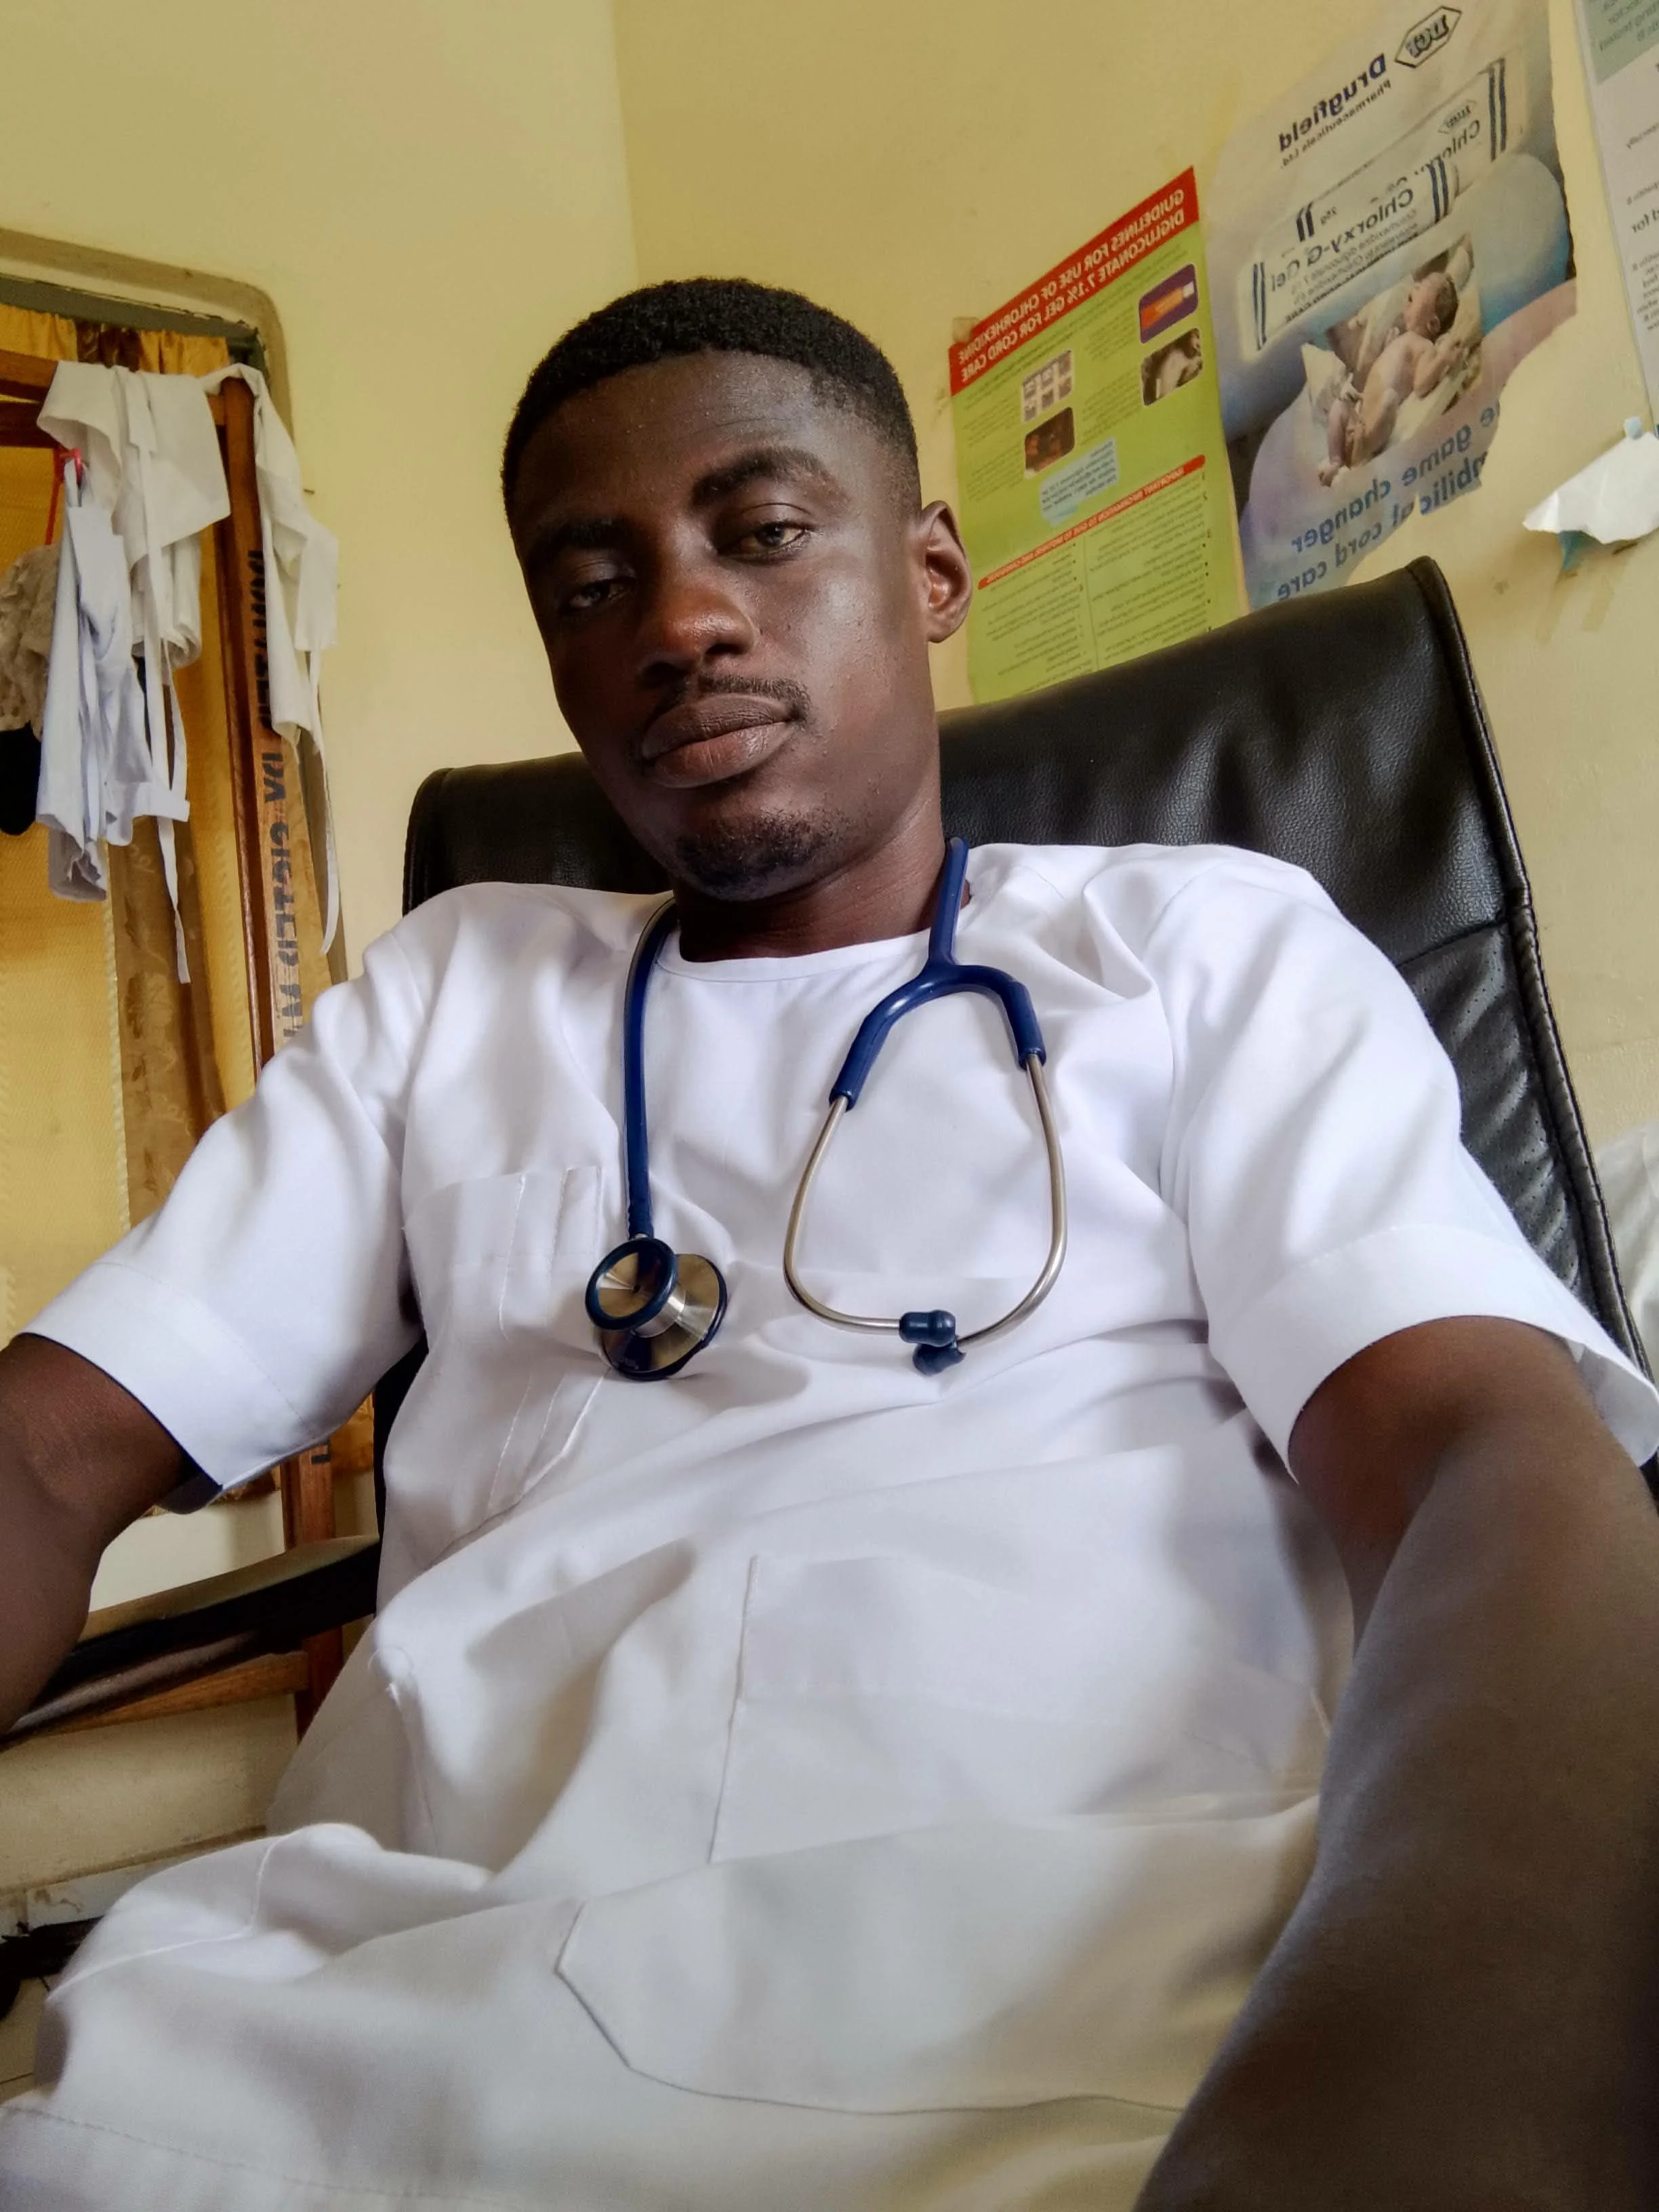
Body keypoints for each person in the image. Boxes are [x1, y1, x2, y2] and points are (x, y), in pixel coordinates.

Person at [2, 277, 1659, 2212]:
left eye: (765, 531)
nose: (680, 621)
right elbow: (44, 1450)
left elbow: (1483, 1452)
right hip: (391, 2000)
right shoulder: (456, 997)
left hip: (1093, 1971)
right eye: (592, 584)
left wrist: (1439, 2047)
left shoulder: (1199, 945)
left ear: (929, 571)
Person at [1319, 268, 1467, 485]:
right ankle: (1335, 460)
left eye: (1424, 286)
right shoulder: (1402, 338)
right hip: (1359, 414)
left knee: (1389, 400)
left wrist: (1443, 359)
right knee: (1339, 407)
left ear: (1433, 324)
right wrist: (1388, 348)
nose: (1416, 285)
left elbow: (1421, 385)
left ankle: (1363, 451)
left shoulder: (1425, 347)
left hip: (1373, 427)